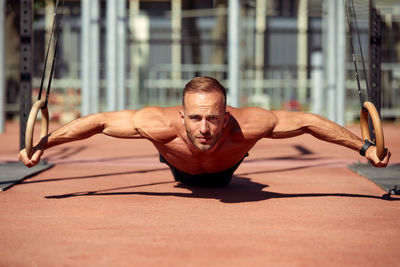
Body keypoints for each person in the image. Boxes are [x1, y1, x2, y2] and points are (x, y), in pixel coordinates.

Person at [18, 76, 391, 187]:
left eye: (213, 118)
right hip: (179, 167)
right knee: (174, 151)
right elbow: (97, 122)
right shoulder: (158, 124)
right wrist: (40, 144)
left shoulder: (248, 124)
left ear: (226, 115)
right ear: (182, 115)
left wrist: (366, 147)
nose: (205, 127)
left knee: (232, 146)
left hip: (228, 169)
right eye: (195, 118)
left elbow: (308, 121)